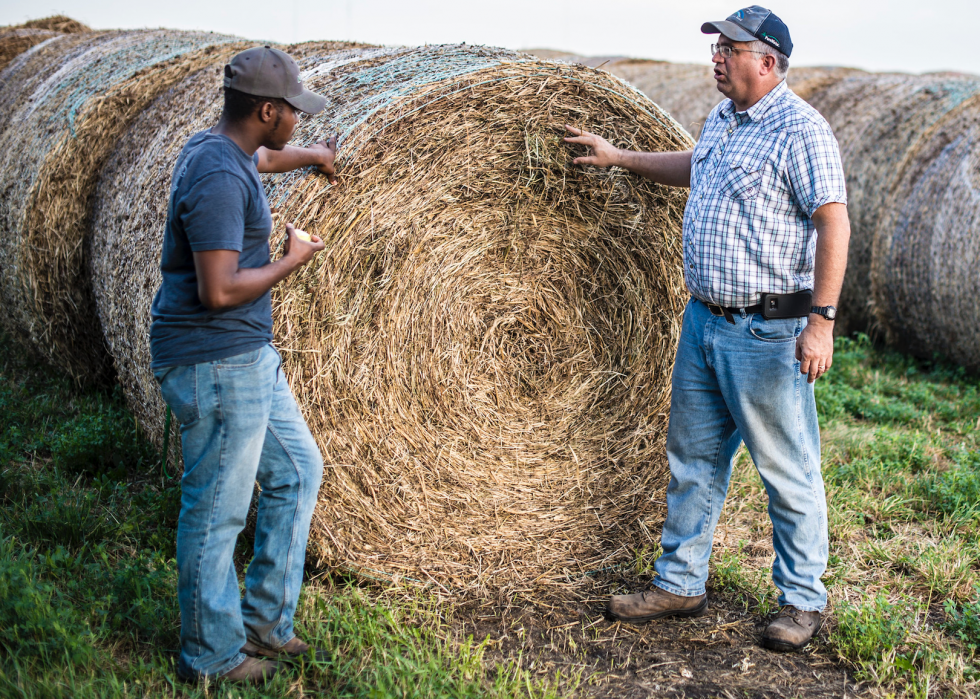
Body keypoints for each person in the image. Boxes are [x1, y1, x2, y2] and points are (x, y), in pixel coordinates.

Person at [565, 5, 850, 652]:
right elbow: (699, 165)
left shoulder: (802, 131)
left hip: (767, 332)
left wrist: (821, 323)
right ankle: (680, 580)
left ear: (768, 62)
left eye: (730, 48)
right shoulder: (724, 118)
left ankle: (802, 599)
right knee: (691, 460)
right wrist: (621, 158)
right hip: (704, 322)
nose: (716, 57)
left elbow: (835, 223)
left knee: (788, 470)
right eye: (716, 47)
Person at [150, 46, 338, 683]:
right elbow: (219, 289)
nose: (298, 121)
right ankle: (211, 655)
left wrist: (313, 157)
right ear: (266, 108)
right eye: (294, 114)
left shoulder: (225, 150)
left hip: (246, 355)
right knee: (217, 509)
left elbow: (263, 156)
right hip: (216, 361)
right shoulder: (220, 180)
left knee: (297, 472)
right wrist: (293, 256)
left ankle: (264, 622)